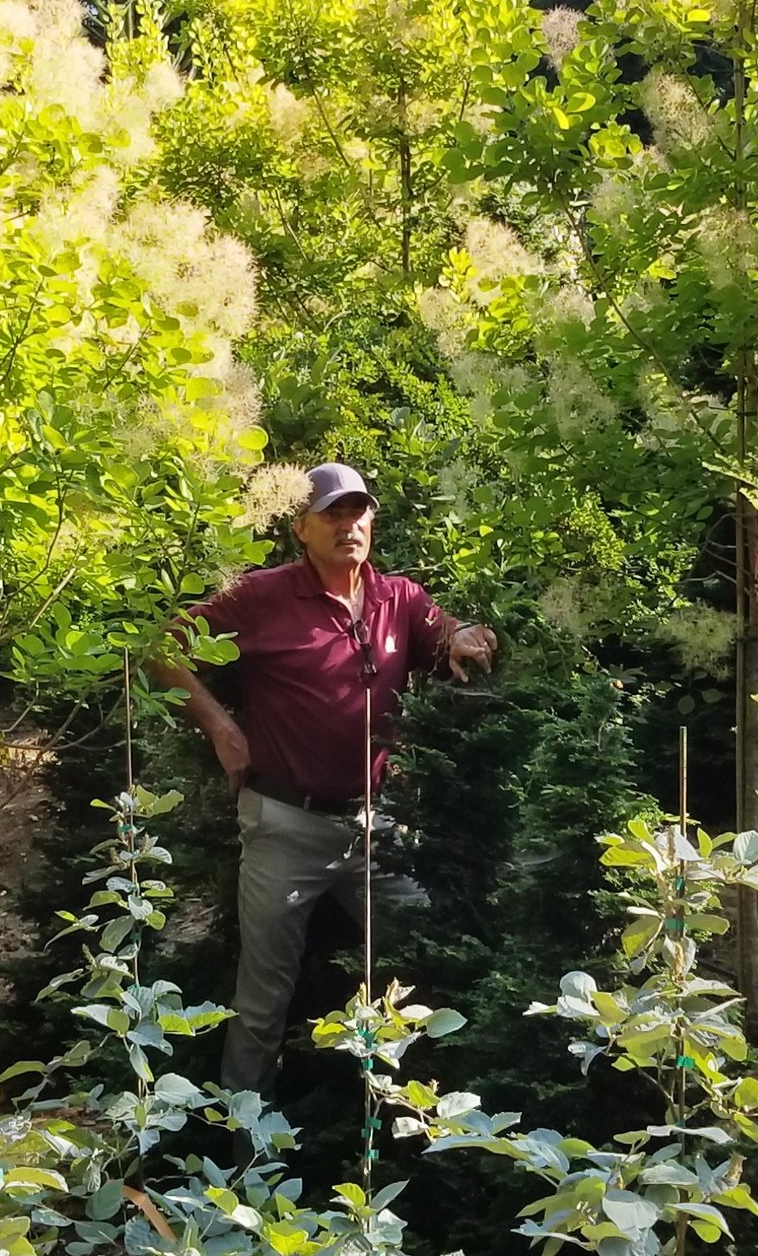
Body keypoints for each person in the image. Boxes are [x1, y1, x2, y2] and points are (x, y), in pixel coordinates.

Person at [150, 462, 498, 1092]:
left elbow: (439, 634)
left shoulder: (400, 599)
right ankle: (239, 1164)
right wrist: (224, 731)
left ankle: (421, 1130)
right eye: (332, 513)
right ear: (299, 529)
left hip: (374, 827)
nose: (349, 525)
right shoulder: (260, 596)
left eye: (359, 511)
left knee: (424, 958)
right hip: (284, 825)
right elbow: (163, 649)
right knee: (263, 1002)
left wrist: (461, 637)